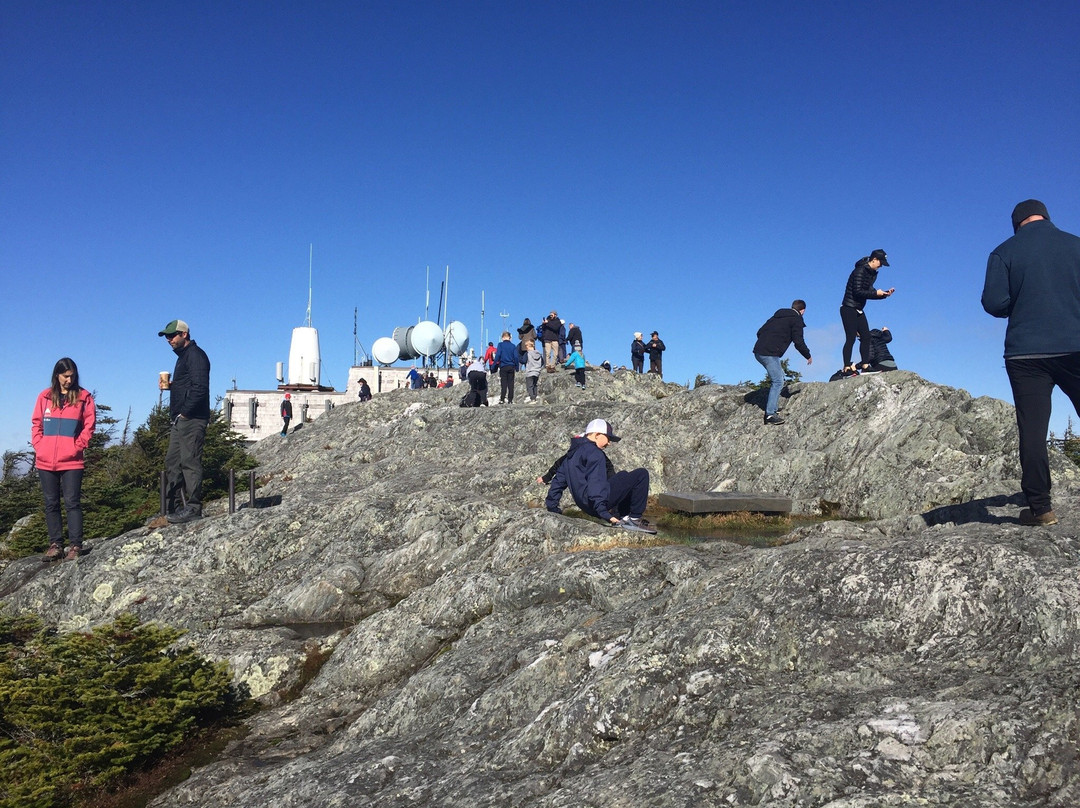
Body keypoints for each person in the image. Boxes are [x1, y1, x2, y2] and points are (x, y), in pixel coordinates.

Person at [981, 199, 1080, 527]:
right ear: (1046, 217)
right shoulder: (1075, 245)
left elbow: (994, 302)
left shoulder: (1003, 252)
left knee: (1033, 431)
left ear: (1016, 223)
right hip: (1075, 347)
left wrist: (1021, 303)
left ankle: (1041, 509)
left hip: (1025, 354)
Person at [31, 357, 96, 561]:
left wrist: (78, 445)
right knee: (51, 503)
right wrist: (39, 446)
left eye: (72, 376)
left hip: (72, 461)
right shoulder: (45, 396)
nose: (69, 380)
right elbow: (36, 423)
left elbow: (89, 425)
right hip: (45, 460)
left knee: (72, 502)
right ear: (57, 375)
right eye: (65, 376)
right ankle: (55, 545)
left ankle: (75, 546)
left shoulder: (84, 397)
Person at [544, 418, 656, 534]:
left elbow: (557, 483)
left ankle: (623, 516)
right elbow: (596, 482)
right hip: (597, 505)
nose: (609, 443)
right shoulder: (595, 453)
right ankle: (634, 519)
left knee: (623, 476)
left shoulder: (570, 455)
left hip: (586, 505)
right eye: (608, 438)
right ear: (597, 435)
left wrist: (552, 508)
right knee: (641, 474)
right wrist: (604, 513)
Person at [158, 319, 211, 524]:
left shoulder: (196, 356)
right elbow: (191, 385)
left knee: (190, 461)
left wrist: (185, 414)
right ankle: (173, 508)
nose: (169, 339)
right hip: (182, 420)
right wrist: (173, 386)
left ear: (184, 334)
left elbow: (200, 388)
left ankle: (193, 507)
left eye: (172, 335)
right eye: (167, 336)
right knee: (172, 462)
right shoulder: (184, 357)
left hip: (193, 418)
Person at [752, 300, 813, 425]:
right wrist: (807, 355)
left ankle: (773, 408)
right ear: (803, 311)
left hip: (759, 351)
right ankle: (769, 414)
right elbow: (798, 341)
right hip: (769, 353)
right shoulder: (796, 319)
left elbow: (759, 332)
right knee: (778, 381)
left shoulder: (776, 316)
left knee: (780, 377)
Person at [840, 249, 894, 374]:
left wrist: (884, 294)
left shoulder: (871, 273)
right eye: (881, 263)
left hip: (858, 309)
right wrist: (876, 293)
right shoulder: (860, 271)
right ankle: (847, 367)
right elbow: (858, 291)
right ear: (874, 259)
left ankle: (865, 365)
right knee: (850, 338)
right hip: (848, 308)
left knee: (866, 336)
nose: (881, 266)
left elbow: (869, 292)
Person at [494, 331, 519, 404]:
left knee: (504, 383)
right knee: (511, 383)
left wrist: (494, 364)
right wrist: (517, 367)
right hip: (511, 366)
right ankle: (510, 399)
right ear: (510, 338)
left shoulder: (500, 345)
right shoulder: (513, 346)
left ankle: (502, 398)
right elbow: (516, 357)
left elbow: (498, 355)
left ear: (502, 338)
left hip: (503, 366)